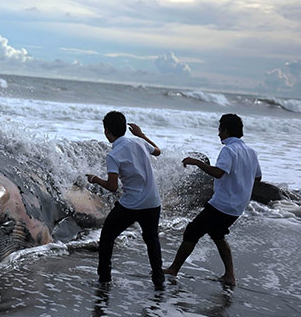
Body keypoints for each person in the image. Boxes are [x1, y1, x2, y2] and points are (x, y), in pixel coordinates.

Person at [164, 114, 261, 286]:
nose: (218, 134)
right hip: (238, 206)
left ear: (226, 130)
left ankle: (173, 269)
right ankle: (229, 276)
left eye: (219, 130)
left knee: (192, 232)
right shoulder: (251, 152)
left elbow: (218, 172)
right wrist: (240, 182)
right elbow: (258, 178)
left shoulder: (229, 150)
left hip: (222, 204)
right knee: (217, 234)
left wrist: (197, 162)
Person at [86, 111, 165, 290]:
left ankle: (104, 279)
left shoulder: (113, 156)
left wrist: (95, 179)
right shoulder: (139, 142)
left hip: (132, 204)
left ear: (107, 131)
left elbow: (112, 187)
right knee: (152, 240)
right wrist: (141, 135)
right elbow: (158, 152)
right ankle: (159, 281)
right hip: (153, 201)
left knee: (107, 236)